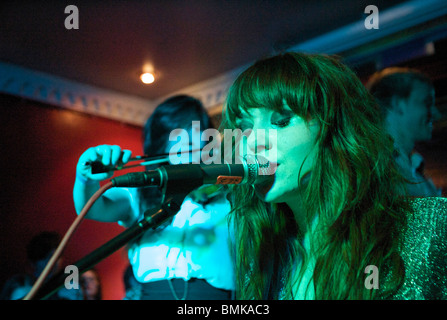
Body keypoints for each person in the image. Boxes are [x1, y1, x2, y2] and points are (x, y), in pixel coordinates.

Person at [219, 52, 447, 299]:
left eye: (282, 121)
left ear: (334, 128)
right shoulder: (266, 263)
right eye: (243, 128)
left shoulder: (431, 227)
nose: (252, 142)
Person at [73, 95, 234, 300]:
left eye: (199, 130)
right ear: (162, 143)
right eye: (181, 131)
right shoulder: (140, 194)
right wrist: (85, 177)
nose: (194, 138)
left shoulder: (227, 198)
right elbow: (93, 207)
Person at [366, 67, 442, 197]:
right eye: (427, 103)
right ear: (397, 104)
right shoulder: (372, 170)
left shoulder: (415, 168)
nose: (436, 114)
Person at [0, 231, 80, 300]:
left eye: (57, 257)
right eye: (46, 258)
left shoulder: (70, 284)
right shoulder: (18, 283)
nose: (53, 262)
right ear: (33, 262)